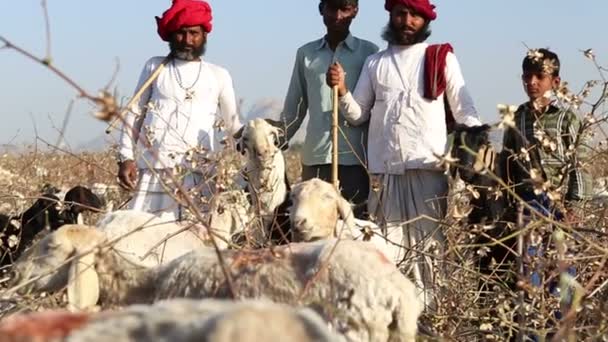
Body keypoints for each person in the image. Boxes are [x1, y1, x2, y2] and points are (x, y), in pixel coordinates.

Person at [326, 0, 482, 308]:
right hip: (384, 173)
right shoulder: (375, 63)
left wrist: (477, 143)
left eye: (414, 15)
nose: (406, 21)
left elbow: (465, 110)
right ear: (391, 16)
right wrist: (342, 90)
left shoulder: (440, 58)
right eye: (401, 13)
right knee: (385, 252)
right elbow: (358, 115)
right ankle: (392, 317)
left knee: (429, 253)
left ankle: (430, 319)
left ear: (424, 20)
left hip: (427, 169)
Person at [117, 0, 242, 221]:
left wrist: (263, 139)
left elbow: (234, 126)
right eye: (181, 34)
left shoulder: (219, 75)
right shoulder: (155, 68)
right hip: (156, 171)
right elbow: (134, 113)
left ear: (204, 35)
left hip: (200, 177)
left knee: (198, 242)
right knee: (147, 239)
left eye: (194, 33)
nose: (187, 41)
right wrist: (125, 157)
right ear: (171, 35)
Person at [502, 49, 592, 338]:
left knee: (564, 275)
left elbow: (580, 163)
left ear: (555, 80)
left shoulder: (567, 118)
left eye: (539, 76)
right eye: (527, 76)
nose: (532, 82)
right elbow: (508, 161)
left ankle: (562, 334)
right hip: (528, 206)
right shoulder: (518, 117)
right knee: (530, 274)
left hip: (560, 206)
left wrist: (574, 206)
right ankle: (532, 334)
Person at [280, 0, 379, 218]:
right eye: (332, 8)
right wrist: (276, 141)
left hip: (355, 160)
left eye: (344, 9)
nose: (337, 16)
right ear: (322, 9)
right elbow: (295, 108)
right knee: (312, 228)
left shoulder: (370, 53)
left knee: (353, 228)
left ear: (355, 11)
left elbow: (372, 109)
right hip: (316, 158)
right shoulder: (306, 54)